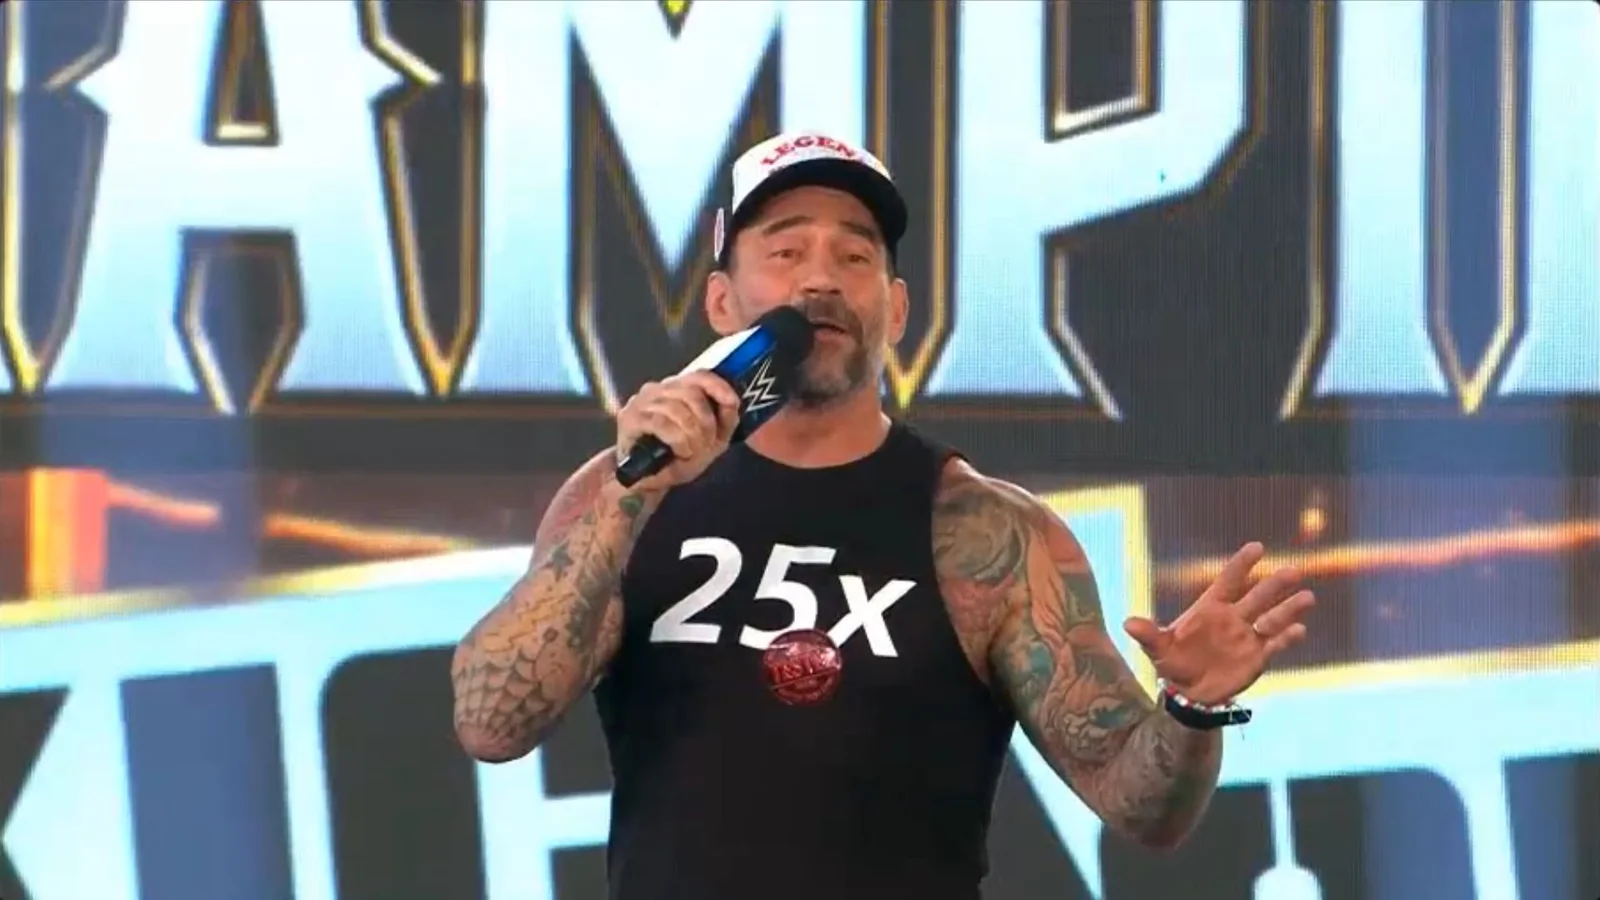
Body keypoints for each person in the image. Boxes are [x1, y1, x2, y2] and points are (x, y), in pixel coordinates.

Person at [451, 131, 1316, 900]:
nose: (820, 278)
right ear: (722, 302)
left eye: (855, 255)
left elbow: (1143, 805)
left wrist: (1191, 709)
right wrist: (630, 492)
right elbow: (491, 724)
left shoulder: (989, 534)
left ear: (895, 309)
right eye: (785, 250)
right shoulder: (621, 497)